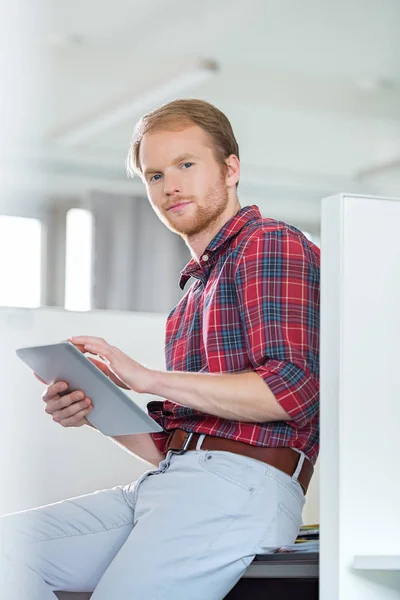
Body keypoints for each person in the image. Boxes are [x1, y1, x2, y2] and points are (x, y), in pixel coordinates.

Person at [0, 99, 320, 599]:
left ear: (231, 168)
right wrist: (95, 406)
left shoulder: (270, 244)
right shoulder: (191, 295)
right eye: (154, 175)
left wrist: (146, 377)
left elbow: (291, 392)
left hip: (238, 487)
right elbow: (172, 445)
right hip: (175, 479)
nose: (170, 185)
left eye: (186, 165)